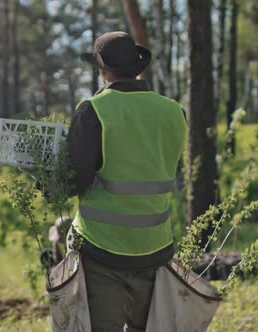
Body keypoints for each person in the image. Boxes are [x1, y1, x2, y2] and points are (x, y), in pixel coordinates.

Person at [68, 31, 187, 331]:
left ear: (102, 70)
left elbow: (74, 181)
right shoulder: (174, 111)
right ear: (138, 69)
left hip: (102, 250)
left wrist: (42, 177)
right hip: (156, 247)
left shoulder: (94, 111)